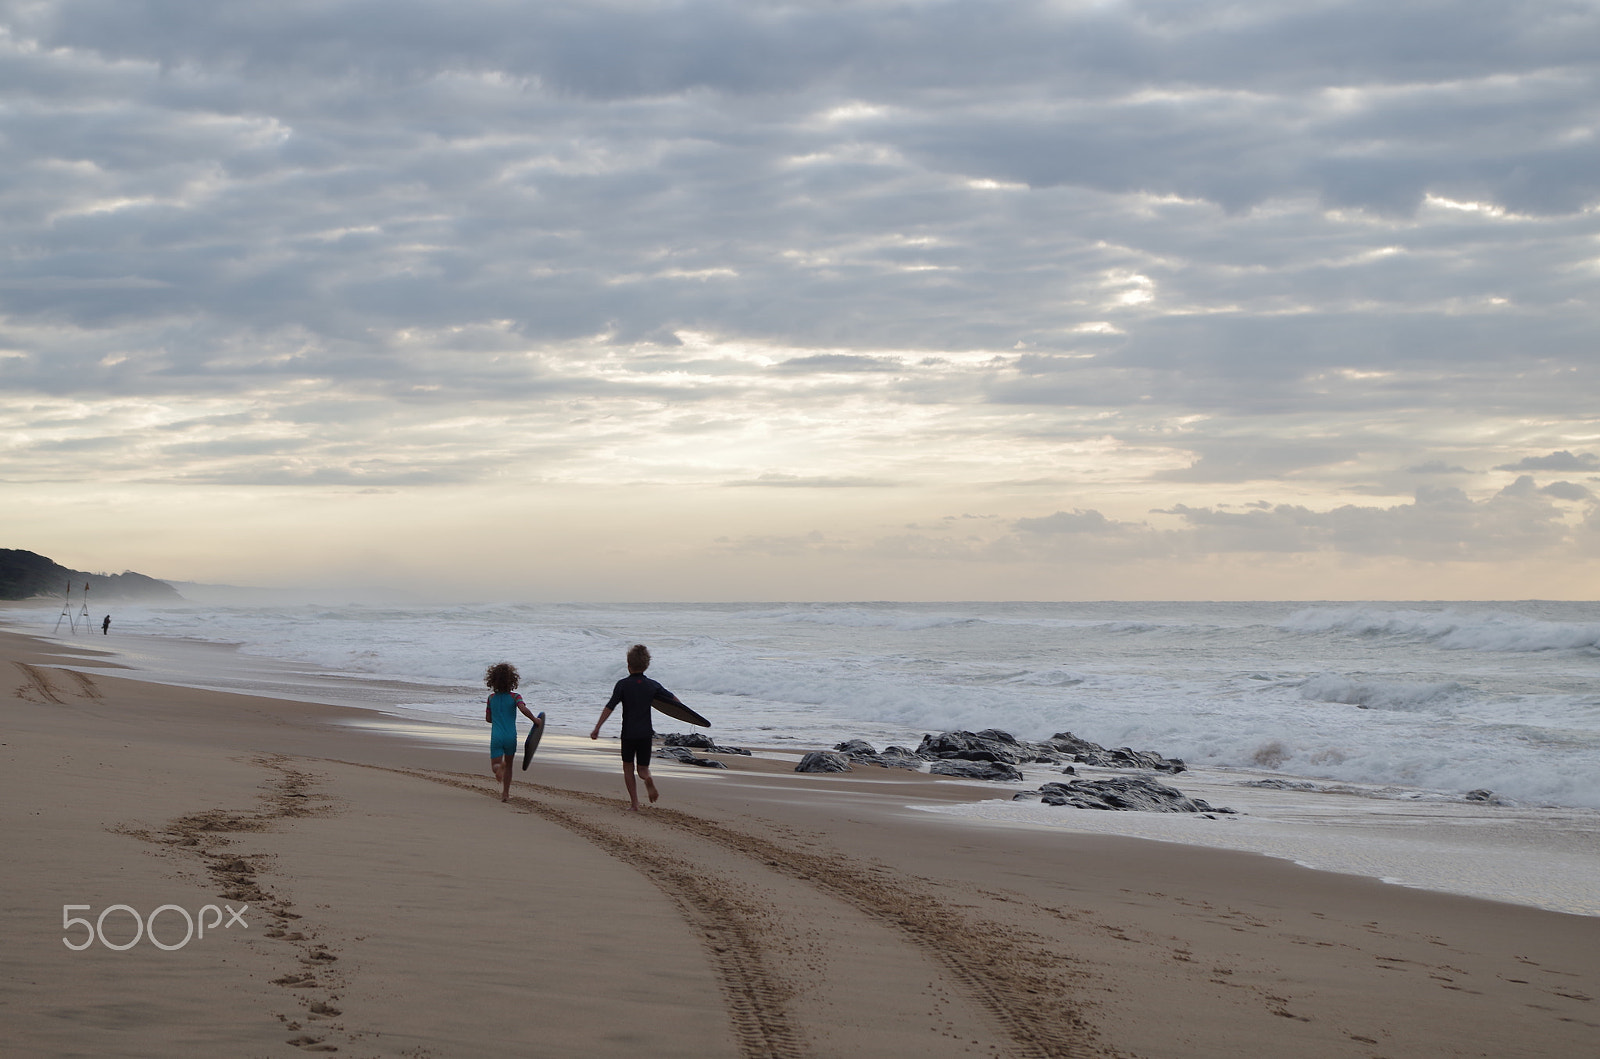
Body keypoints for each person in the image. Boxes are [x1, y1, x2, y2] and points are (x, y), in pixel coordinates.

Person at [590, 644, 682, 811]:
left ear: (628, 664)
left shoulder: (622, 685)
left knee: (628, 767)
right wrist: (686, 712)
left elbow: (610, 706)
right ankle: (647, 778)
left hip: (629, 733)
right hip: (646, 733)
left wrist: (597, 728)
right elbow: (674, 700)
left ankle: (634, 804)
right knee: (643, 769)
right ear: (646, 665)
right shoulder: (652, 685)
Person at [484, 662, 541, 803]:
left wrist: (497, 718)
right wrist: (535, 720)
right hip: (511, 737)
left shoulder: (491, 698)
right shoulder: (516, 697)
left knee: (495, 766)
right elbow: (523, 709)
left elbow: (488, 719)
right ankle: (505, 794)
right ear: (512, 680)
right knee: (509, 765)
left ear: (493, 680)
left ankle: (499, 767)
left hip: (496, 736)